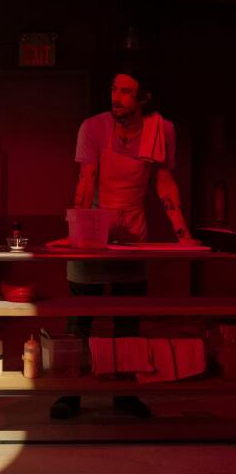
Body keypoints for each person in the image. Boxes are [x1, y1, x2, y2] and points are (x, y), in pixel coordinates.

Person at [50, 65, 197, 420]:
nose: (117, 97)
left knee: (128, 320)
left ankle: (124, 392)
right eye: (115, 89)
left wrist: (183, 234)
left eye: (127, 91)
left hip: (133, 232)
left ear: (145, 98)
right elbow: (86, 181)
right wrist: (80, 232)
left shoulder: (162, 130)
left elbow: (163, 182)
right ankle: (72, 393)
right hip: (96, 228)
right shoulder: (94, 127)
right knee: (80, 318)